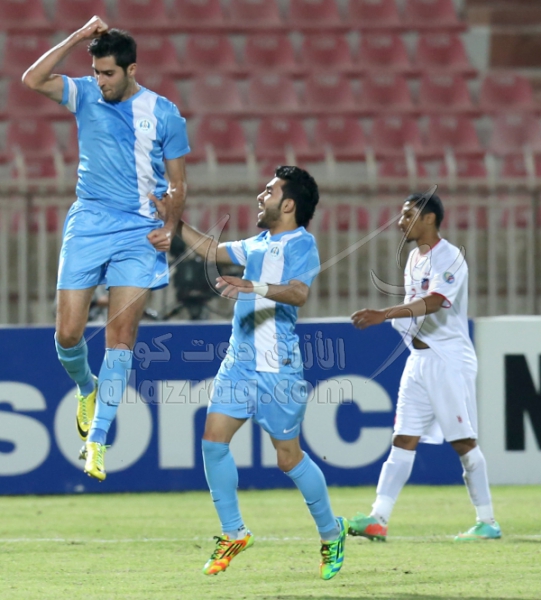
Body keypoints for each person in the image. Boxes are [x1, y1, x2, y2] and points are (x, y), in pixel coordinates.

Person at [154, 166, 347, 579]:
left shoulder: (302, 243)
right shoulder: (257, 244)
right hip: (239, 364)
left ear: (288, 204)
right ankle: (234, 532)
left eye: (269, 191)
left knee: (288, 458)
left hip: (278, 369)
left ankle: (332, 533)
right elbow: (210, 250)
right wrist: (175, 219)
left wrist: (253, 287)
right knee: (213, 443)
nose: (261, 196)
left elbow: (299, 292)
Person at [21, 16, 189, 481]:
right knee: (68, 334)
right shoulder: (83, 94)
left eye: (109, 73)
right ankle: (86, 387)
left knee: (121, 338)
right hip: (89, 224)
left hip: (140, 233)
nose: (101, 81)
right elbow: (32, 79)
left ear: (132, 70)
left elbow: (178, 183)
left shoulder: (164, 113)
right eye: (96, 72)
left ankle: (97, 439)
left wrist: (170, 226)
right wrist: (78, 37)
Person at [348, 192, 501, 542]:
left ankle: (488, 521)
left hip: (447, 360)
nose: (400, 222)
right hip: (419, 360)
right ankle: (378, 518)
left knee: (463, 442)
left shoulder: (449, 257)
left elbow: (434, 301)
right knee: (403, 439)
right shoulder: (415, 258)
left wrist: (384, 314)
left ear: (429, 218)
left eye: (407, 215)